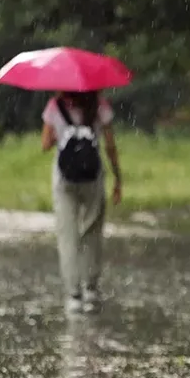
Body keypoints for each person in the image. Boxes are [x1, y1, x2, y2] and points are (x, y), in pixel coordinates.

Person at [41, 90, 122, 314]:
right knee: (92, 231)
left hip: (64, 179)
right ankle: (91, 288)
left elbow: (45, 144)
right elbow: (110, 146)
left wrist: (63, 133)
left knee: (67, 235)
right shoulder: (99, 105)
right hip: (92, 177)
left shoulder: (54, 106)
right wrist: (118, 178)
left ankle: (73, 294)